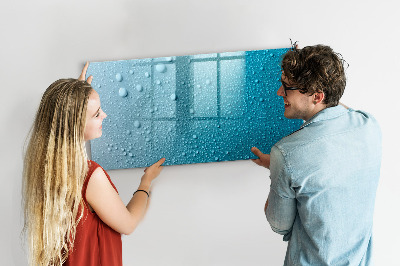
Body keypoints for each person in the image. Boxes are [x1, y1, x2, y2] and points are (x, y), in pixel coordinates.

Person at [22, 63, 165, 266]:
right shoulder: (90, 176)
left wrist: (76, 96)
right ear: (75, 124)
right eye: (97, 114)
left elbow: (64, 118)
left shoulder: (44, 168)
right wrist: (146, 182)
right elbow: (129, 223)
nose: (104, 116)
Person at [251, 44, 381, 265]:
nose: (279, 92)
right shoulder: (369, 125)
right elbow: (335, 108)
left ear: (317, 96)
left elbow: (279, 225)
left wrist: (279, 169)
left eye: (287, 86)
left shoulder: (286, 153)